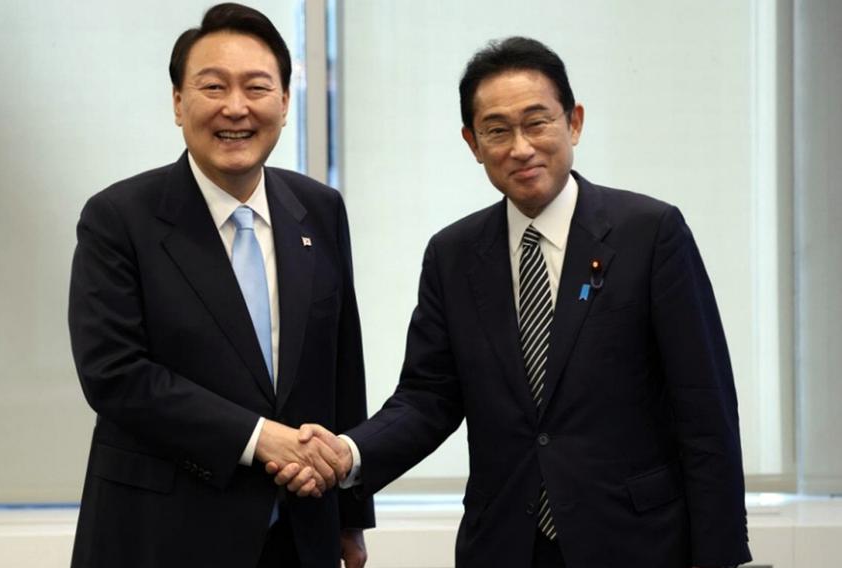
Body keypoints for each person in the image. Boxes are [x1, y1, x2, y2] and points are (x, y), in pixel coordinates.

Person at [273, 37, 751, 568]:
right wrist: (349, 454)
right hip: (504, 543)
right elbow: (428, 398)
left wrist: (721, 555)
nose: (520, 147)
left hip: (635, 542)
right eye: (497, 130)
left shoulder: (651, 234)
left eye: (537, 121)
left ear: (574, 122)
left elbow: (704, 408)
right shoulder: (453, 255)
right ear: (472, 143)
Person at [67, 4, 373, 567]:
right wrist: (261, 438)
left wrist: (350, 517)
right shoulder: (120, 217)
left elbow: (341, 369)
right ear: (179, 104)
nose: (236, 107)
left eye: (258, 87)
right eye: (213, 87)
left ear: (284, 103)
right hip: (160, 536)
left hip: (298, 535)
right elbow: (115, 375)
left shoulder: (319, 210)